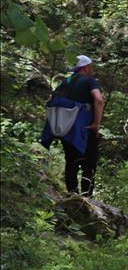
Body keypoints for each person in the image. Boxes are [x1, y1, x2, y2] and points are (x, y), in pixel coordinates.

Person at [41, 55, 105, 196]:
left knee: (71, 162)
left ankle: (72, 195)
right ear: (86, 67)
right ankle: (87, 198)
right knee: (89, 163)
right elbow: (98, 100)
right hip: (86, 128)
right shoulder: (90, 81)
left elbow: (53, 100)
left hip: (67, 128)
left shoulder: (65, 82)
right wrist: (96, 124)